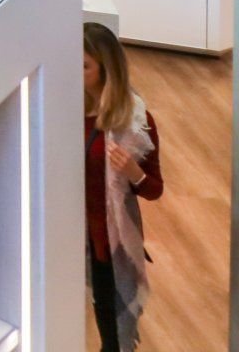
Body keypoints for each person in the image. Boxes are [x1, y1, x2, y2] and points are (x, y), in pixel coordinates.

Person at [82, 22, 162, 352]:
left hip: (111, 238)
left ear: (105, 68)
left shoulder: (135, 121)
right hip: (75, 231)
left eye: (84, 65)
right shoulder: (63, 108)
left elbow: (155, 188)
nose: (76, 71)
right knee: (98, 309)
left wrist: (133, 172)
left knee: (114, 321)